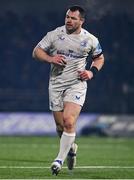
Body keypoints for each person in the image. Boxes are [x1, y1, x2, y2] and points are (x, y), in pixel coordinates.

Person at [32, 5, 104, 175]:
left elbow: (99, 58)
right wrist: (51, 58)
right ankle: (71, 148)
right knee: (60, 127)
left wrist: (91, 72)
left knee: (69, 121)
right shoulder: (55, 34)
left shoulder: (90, 40)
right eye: (67, 17)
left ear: (81, 21)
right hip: (56, 84)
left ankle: (58, 160)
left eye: (73, 18)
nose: (68, 20)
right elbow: (36, 52)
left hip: (76, 84)